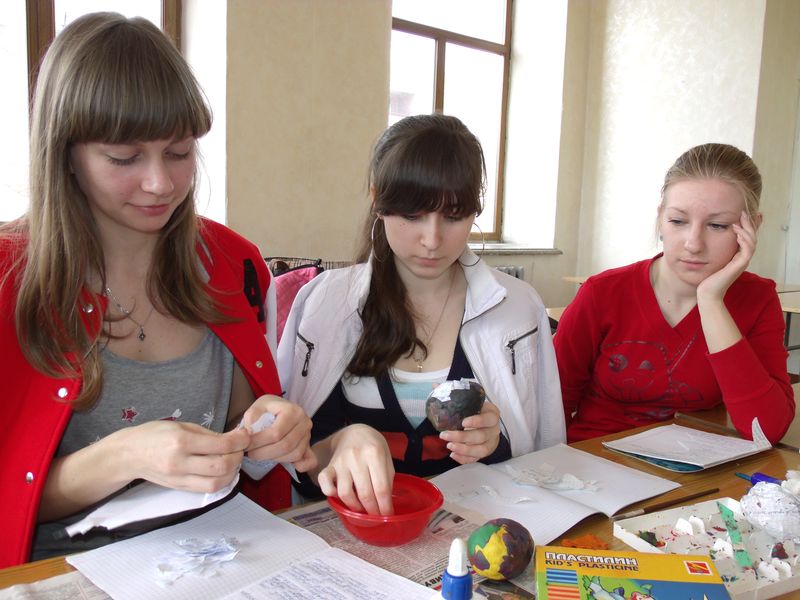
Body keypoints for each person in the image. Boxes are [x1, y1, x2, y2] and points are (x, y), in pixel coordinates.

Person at [0, 13, 315, 568]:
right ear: (64, 153)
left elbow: (244, 426)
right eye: (124, 157)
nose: (160, 184)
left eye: (179, 152)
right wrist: (119, 457)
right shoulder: (10, 279)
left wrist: (269, 427)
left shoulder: (231, 263)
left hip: (219, 561)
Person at [278, 114, 565, 516]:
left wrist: (494, 443)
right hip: (353, 533)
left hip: (477, 530)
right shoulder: (325, 303)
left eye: (454, 216)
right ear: (377, 200)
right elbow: (296, 462)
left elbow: (544, 452)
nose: (432, 240)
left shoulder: (518, 308)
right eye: (412, 215)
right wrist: (342, 442)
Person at [554, 143, 795, 443]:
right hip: (593, 458)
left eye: (718, 225)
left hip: (695, 465)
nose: (693, 243)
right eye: (678, 221)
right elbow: (549, 405)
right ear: (660, 218)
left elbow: (766, 431)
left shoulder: (757, 298)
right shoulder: (602, 293)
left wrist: (711, 301)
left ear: (752, 227)